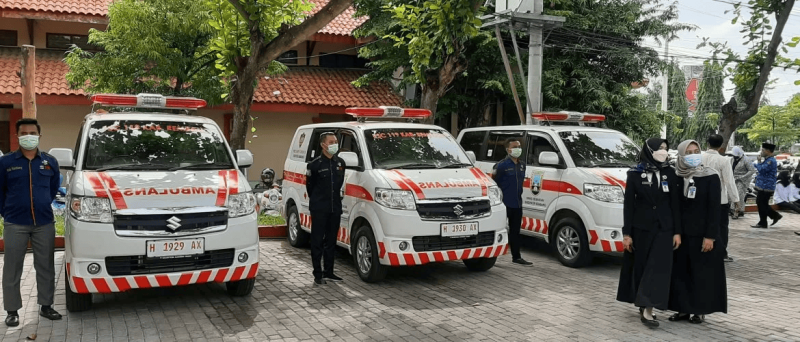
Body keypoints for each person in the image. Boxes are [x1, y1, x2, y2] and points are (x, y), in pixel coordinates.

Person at [0, 118, 63, 327]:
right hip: (15, 223)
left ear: (39, 135)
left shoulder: (49, 162)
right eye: (24, 133)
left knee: (45, 266)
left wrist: (43, 203)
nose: (28, 136)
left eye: (32, 133)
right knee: (12, 267)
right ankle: (12, 311)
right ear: (18, 136)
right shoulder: (6, 163)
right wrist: (6, 211)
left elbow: (54, 187)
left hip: (44, 222)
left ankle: (46, 306)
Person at [616, 138, 682, 328]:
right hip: (641, 228)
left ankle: (649, 309)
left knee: (658, 267)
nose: (664, 151)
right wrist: (627, 233)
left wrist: (677, 232)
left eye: (665, 148)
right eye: (660, 148)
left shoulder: (670, 172)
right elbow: (629, 205)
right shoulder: (635, 173)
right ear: (649, 150)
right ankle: (643, 302)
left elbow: (675, 205)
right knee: (643, 266)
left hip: (665, 228)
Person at [668, 139, 726, 324]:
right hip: (682, 235)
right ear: (681, 155)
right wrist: (676, 232)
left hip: (702, 234)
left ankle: (699, 310)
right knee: (680, 273)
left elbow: (714, 208)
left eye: (696, 151)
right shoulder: (676, 175)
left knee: (700, 273)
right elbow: (674, 207)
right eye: (688, 152)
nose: (693, 155)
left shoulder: (710, 175)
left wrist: (710, 236)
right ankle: (682, 309)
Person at [305, 132, 345, 285]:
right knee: (317, 241)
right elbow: (310, 187)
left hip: (335, 208)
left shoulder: (340, 163)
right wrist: (318, 202)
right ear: (323, 145)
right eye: (331, 141)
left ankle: (329, 272)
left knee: (331, 241)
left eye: (336, 141)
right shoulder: (314, 165)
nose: (335, 144)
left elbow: (339, 185)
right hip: (319, 208)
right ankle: (318, 274)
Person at [492, 139, 532, 266]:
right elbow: (494, 183)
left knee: (515, 232)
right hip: (504, 204)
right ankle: (492, 258)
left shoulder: (522, 165)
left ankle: (517, 257)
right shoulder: (501, 165)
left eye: (519, 146)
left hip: (517, 204)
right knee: (498, 231)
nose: (518, 149)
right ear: (508, 150)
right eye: (514, 147)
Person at [701, 135, 738, 263]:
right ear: (722, 146)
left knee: (703, 225)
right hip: (720, 200)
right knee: (721, 227)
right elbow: (729, 181)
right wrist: (736, 199)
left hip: (701, 199)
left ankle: (703, 250)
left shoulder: (699, 158)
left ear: (707, 143)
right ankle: (722, 253)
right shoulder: (723, 160)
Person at [752, 142, 780, 228]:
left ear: (768, 151)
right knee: (761, 202)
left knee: (762, 203)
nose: (761, 151)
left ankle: (764, 222)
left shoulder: (771, 161)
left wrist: (758, 162)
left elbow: (762, 170)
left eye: (763, 150)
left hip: (767, 186)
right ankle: (772, 217)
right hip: (763, 185)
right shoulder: (768, 159)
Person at [730, 146, 756, 219]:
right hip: (733, 179)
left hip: (743, 181)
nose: (735, 157)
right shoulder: (732, 159)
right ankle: (740, 210)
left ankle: (736, 211)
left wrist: (742, 177)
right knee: (732, 195)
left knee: (739, 195)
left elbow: (752, 170)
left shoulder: (746, 159)